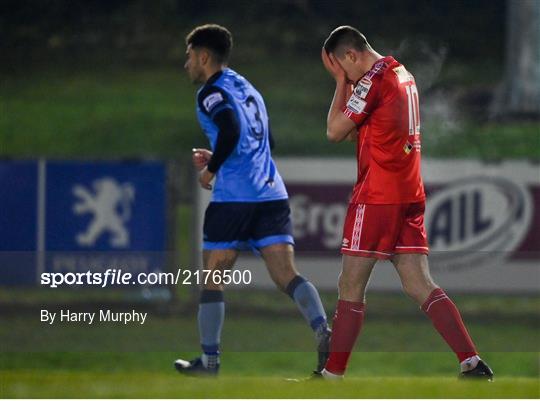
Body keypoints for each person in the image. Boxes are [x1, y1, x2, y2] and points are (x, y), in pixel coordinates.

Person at [318, 26, 494, 380]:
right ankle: (472, 364)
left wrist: (340, 84)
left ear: (351, 56)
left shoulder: (372, 80)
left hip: (377, 195)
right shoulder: (402, 73)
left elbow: (335, 132)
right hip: (409, 193)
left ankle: (331, 376)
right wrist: (347, 83)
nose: (345, 76)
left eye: (341, 67)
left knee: (350, 285)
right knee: (419, 284)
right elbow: (355, 128)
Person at [174, 24, 330, 376]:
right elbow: (266, 141)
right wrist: (219, 154)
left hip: (234, 199)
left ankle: (209, 364)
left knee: (213, 278)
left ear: (203, 57)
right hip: (271, 194)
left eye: (188, 57)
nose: (186, 65)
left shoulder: (210, 93)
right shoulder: (248, 87)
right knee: (287, 275)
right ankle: (323, 329)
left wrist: (212, 169)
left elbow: (229, 128)